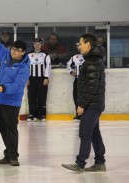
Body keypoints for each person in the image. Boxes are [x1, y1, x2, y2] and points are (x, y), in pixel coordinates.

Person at [62, 33, 106, 172]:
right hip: (94, 103)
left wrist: (81, 105)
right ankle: (100, 162)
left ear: (88, 44)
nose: (79, 46)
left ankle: (80, 163)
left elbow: (91, 87)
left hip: (92, 104)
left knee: (85, 131)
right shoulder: (92, 59)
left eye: (80, 44)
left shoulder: (92, 61)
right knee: (94, 132)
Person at [0, 22, 29, 166]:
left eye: (17, 50)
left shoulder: (24, 67)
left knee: (11, 129)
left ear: (23, 52)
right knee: (2, 129)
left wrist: (4, 88)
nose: (13, 51)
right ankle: (8, 153)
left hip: (11, 102)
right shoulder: (6, 56)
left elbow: (18, 85)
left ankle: (14, 156)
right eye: (13, 48)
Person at [27, 38, 51, 122]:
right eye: (35, 43)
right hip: (31, 79)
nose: (37, 45)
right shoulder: (29, 54)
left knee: (42, 97)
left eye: (39, 43)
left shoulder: (45, 54)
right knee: (31, 97)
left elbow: (48, 66)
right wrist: (27, 78)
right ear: (33, 44)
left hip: (42, 79)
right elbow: (26, 67)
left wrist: (46, 77)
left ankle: (42, 115)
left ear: (41, 45)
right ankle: (32, 114)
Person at [66, 43, 85, 122]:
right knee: (76, 97)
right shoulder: (74, 57)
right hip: (77, 80)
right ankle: (78, 114)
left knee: (85, 97)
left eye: (80, 46)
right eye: (78, 46)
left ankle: (86, 115)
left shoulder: (89, 57)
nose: (79, 48)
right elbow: (68, 65)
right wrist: (71, 72)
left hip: (86, 81)